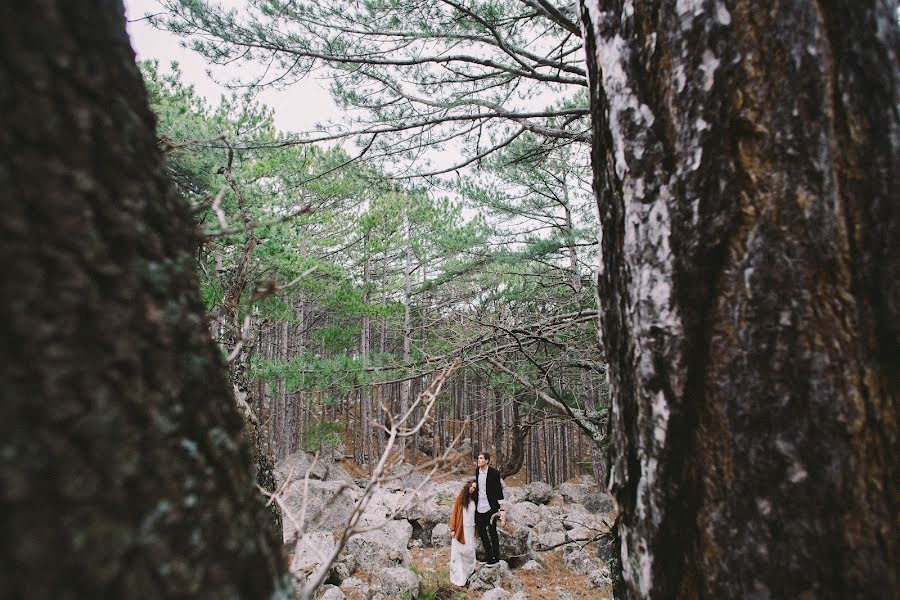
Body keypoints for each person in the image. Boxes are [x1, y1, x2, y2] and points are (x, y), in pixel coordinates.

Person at [473, 451, 505, 565]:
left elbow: (498, 491)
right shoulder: (477, 471)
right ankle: (488, 554)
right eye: (478, 458)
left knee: (492, 531)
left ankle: (496, 556)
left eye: (481, 458)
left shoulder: (494, 473)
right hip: (479, 506)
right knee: (482, 531)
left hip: (490, 506)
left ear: (486, 461)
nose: (479, 460)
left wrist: (502, 510)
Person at [449, 479, 478, 586]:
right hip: (461, 530)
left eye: (474, 488)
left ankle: (468, 574)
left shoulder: (475, 501)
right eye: (471, 486)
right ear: (468, 486)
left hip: (471, 530)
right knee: (459, 553)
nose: (472, 489)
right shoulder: (460, 499)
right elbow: (454, 514)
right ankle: (460, 578)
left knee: (469, 552)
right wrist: (452, 529)